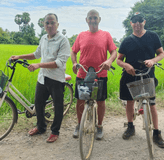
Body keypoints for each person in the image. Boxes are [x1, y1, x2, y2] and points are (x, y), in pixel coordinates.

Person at [10, 13, 70, 143]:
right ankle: (41, 127)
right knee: (38, 103)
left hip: (56, 79)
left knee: (58, 106)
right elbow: (36, 54)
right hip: (43, 77)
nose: (49, 25)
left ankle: (55, 131)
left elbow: (59, 62)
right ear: (44, 24)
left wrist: (38, 65)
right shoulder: (43, 38)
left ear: (57, 24)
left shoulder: (63, 40)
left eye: (52, 22)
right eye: (47, 23)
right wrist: (19, 56)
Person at [117, 12, 164, 148]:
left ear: (144, 22)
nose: (137, 23)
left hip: (147, 74)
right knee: (129, 102)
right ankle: (130, 126)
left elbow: (161, 53)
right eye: (134, 21)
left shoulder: (152, 36)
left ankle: (156, 133)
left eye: (140, 20)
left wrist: (153, 60)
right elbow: (119, 60)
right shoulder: (127, 41)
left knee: (152, 104)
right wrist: (126, 65)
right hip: (130, 74)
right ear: (131, 23)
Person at [71, 9, 117, 140]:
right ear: (86, 20)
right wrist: (74, 63)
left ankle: (100, 126)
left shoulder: (106, 35)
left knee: (100, 101)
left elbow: (114, 52)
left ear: (99, 19)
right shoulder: (81, 35)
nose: (93, 20)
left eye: (95, 18)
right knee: (80, 100)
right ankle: (79, 124)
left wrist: (109, 61)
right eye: (90, 18)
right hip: (83, 74)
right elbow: (73, 51)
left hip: (100, 74)